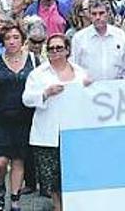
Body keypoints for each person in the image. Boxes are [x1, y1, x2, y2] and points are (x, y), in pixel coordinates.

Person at [22, 34, 91, 211]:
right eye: (51, 48)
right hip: (47, 131)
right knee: (52, 177)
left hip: (74, 130)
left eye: (59, 48)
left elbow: (90, 99)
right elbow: (27, 99)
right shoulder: (38, 74)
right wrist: (45, 93)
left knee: (73, 174)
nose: (55, 52)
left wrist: (90, 87)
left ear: (67, 50)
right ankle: (57, 206)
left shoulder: (80, 73)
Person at [0, 23, 37, 211]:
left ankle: (15, 199)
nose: (12, 41)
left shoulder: (33, 61)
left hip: (24, 118)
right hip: (0, 118)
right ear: (3, 42)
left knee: (19, 159)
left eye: (16, 37)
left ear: (22, 40)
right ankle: (0, 188)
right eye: (8, 38)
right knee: (0, 161)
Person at [70, 0, 125, 81]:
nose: (98, 17)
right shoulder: (79, 38)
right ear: (89, 15)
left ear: (108, 13)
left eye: (101, 13)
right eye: (94, 14)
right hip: (89, 90)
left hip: (116, 88)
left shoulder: (120, 35)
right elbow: (74, 66)